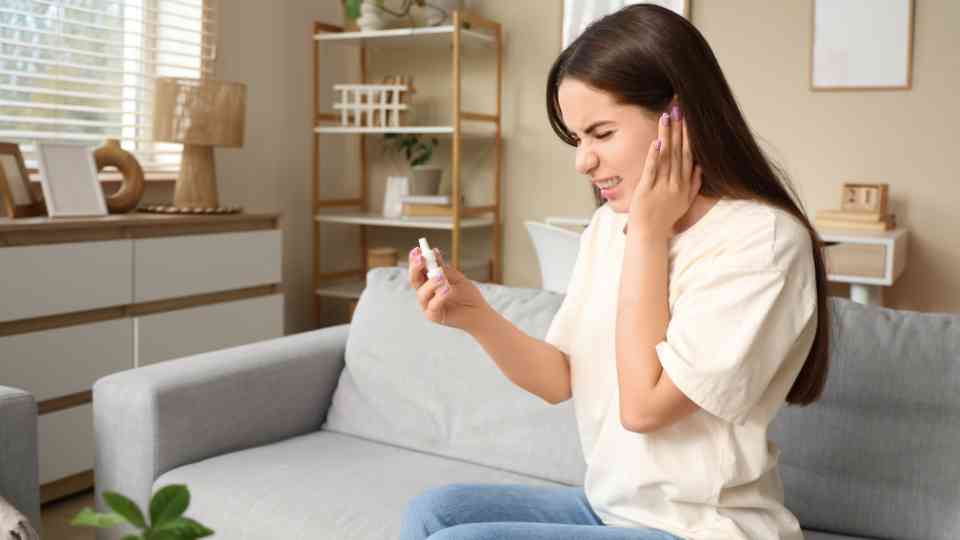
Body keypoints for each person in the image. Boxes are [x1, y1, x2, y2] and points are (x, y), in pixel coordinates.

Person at [398, 4, 830, 539]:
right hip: (613, 511)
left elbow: (645, 408)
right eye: (577, 139)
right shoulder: (609, 226)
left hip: (703, 529)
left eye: (600, 133)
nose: (583, 161)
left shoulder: (761, 242)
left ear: (679, 118)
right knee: (433, 513)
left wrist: (648, 237)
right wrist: (475, 316)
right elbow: (561, 379)